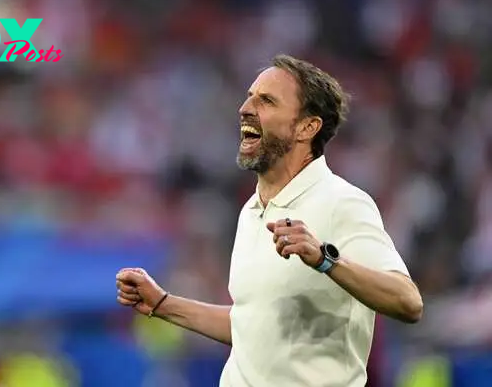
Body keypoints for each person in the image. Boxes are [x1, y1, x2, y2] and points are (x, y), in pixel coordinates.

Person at [116, 54, 423, 387]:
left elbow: (408, 302)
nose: (246, 107)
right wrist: (163, 304)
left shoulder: (342, 202)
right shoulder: (252, 211)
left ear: (308, 127)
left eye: (267, 101)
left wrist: (324, 259)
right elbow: (253, 328)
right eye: (250, 96)